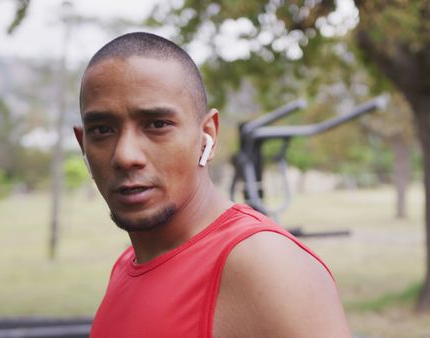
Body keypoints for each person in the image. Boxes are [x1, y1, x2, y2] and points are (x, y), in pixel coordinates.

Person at [74, 31, 351, 338]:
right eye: (102, 130)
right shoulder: (128, 263)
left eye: (156, 125)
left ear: (208, 134)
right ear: (82, 143)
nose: (125, 156)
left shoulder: (265, 265)